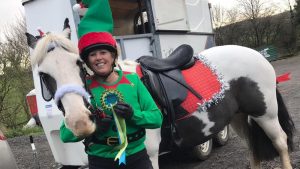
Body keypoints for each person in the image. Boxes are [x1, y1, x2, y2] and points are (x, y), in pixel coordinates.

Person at [60, 0, 163, 169]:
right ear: (87, 61)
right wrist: (92, 126)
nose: (99, 58)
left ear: (113, 56)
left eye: (103, 52)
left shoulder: (133, 80)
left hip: (137, 158)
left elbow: (156, 119)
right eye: (93, 54)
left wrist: (133, 115)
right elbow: (65, 134)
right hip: (101, 161)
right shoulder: (82, 88)